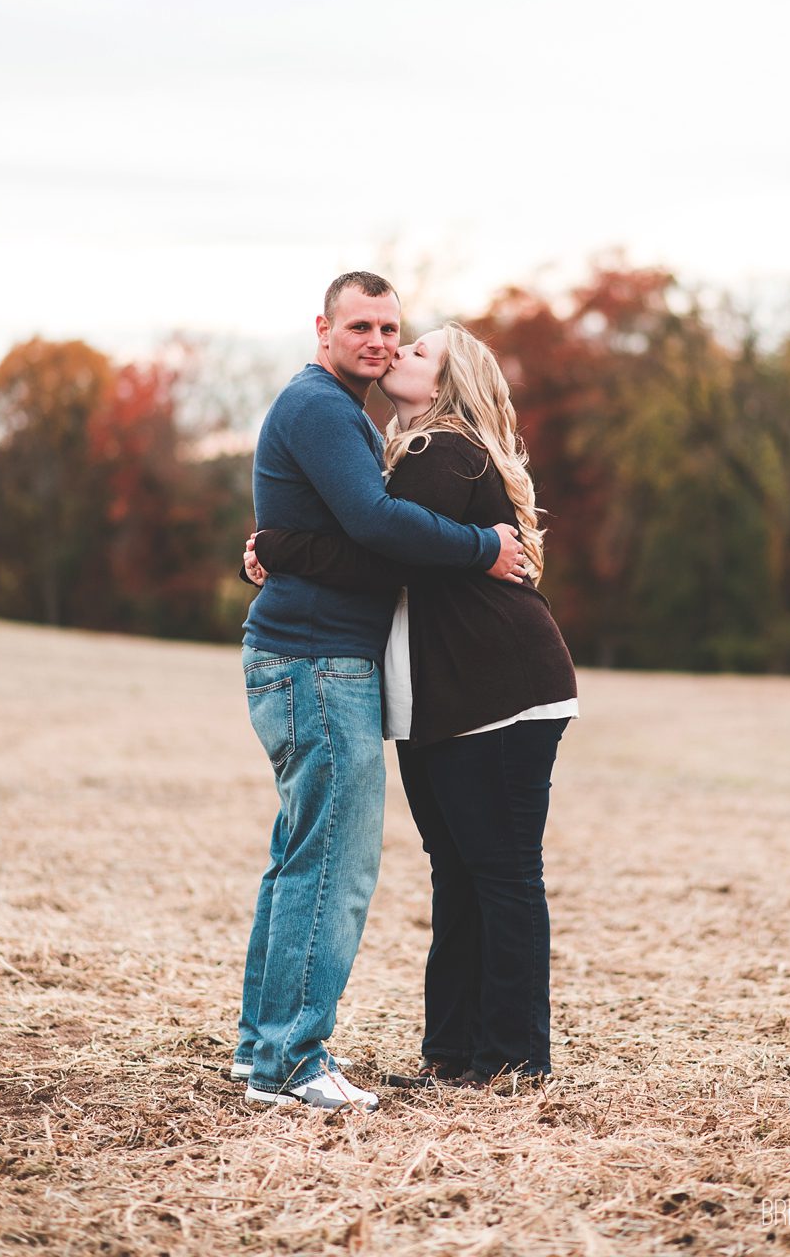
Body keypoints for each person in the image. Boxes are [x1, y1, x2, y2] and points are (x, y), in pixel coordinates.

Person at [244, 321, 577, 1088]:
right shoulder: (411, 451)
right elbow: (378, 532)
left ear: (448, 384)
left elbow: (385, 544)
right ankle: (456, 1057)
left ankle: (515, 1060)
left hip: (498, 689)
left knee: (498, 871)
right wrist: (277, 543)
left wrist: (282, 545)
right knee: (460, 871)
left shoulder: (440, 450)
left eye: (417, 349)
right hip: (459, 694)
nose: (396, 351)